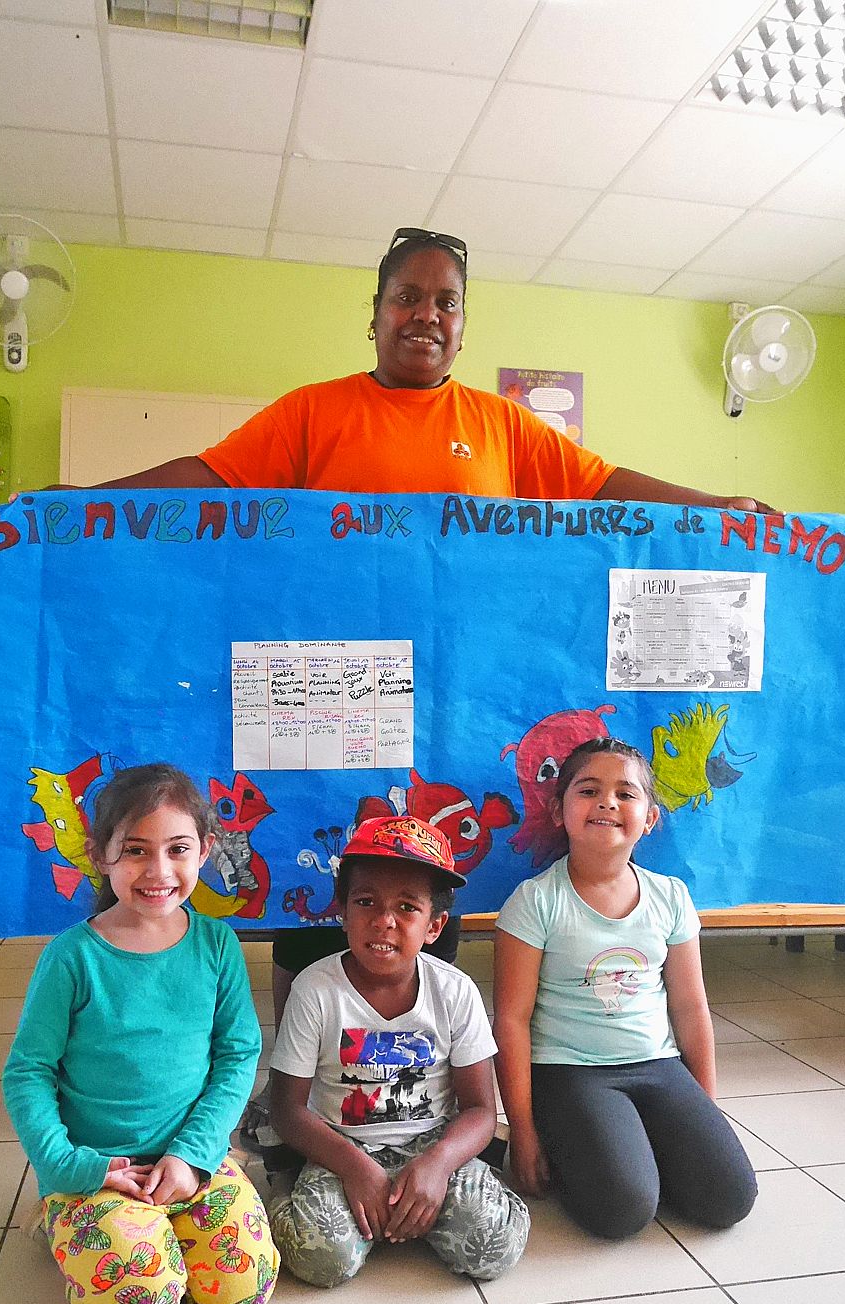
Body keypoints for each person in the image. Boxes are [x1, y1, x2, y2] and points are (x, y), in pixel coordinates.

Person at [82, 225, 772, 1105]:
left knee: (419, 890)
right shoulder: (312, 412)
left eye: (445, 301)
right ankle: (302, 1100)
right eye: (407, 296)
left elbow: (603, 488)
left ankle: (417, 1098)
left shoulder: (500, 426)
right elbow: (210, 477)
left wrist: (710, 505)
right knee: (320, 889)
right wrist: (89, 503)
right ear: (374, 315)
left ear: (462, 324)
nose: (425, 314)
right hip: (325, 699)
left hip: (447, 712)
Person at [2, 763, 279, 1304]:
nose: (159, 871)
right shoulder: (72, 957)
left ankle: (158, 1229)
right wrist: (72, 1167)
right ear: (99, 855)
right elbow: (28, 1072)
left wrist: (193, 1155)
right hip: (98, 1171)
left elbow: (237, 1056)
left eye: (177, 849)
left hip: (192, 1159)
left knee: (242, 1293)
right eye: (135, 850)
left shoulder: (217, 945)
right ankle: (67, 1217)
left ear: (205, 850)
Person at [492, 737, 757, 1239]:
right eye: (589, 790)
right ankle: (594, 1142)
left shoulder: (671, 896)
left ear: (650, 818)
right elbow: (511, 1020)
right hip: (570, 1072)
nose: (607, 803)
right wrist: (523, 1132)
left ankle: (635, 1145)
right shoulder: (535, 902)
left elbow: (690, 1006)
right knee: (622, 1209)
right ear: (559, 811)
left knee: (729, 1197)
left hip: (657, 1064)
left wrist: (704, 1109)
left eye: (626, 794)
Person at [265, 814, 530, 1288]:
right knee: (322, 1259)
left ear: (435, 926)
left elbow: (480, 1111)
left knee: (493, 1245)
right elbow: (286, 1109)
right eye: (365, 902)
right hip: (341, 1145)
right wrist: (355, 1168)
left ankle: (420, 1207)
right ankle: (292, 1186)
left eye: (407, 907)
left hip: (432, 1141)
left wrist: (438, 1164)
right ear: (342, 911)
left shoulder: (455, 991)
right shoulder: (315, 990)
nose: (384, 921)